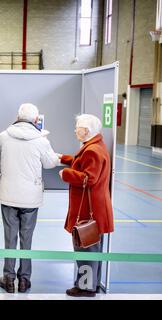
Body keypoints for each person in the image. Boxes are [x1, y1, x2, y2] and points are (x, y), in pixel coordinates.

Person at [0, 103, 60, 293]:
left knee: (10, 238)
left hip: (8, 195)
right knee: (27, 238)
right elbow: (50, 164)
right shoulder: (41, 140)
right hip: (30, 198)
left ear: (18, 116)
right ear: (35, 120)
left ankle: (8, 279)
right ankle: (24, 280)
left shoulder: (3, 136)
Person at [58, 114, 114, 297]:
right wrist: (64, 158)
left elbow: (89, 178)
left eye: (78, 127)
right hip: (96, 209)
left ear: (87, 131)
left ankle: (85, 287)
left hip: (87, 212)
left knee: (85, 249)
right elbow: (82, 165)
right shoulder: (95, 146)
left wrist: (66, 173)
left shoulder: (92, 151)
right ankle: (92, 284)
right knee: (92, 249)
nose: (75, 130)